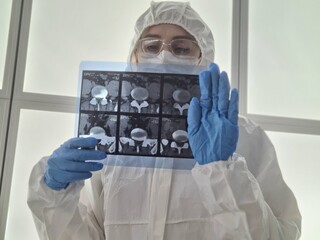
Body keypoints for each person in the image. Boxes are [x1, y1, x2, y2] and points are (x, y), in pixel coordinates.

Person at [27, 1, 301, 239]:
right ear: (134, 56)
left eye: (181, 48)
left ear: (203, 58)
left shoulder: (245, 137)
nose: (164, 55)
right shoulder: (112, 142)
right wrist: (55, 196)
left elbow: (276, 235)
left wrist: (223, 171)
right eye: (152, 45)